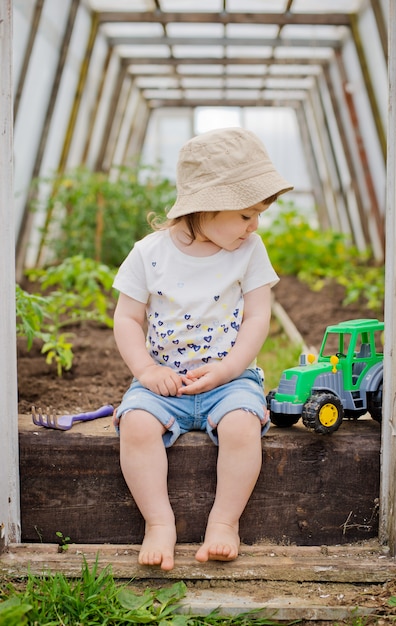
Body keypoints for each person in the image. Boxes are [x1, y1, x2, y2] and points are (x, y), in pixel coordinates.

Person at [112, 127, 293, 571]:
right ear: (205, 207)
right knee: (135, 425)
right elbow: (127, 319)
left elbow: (257, 317)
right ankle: (158, 523)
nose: (255, 226)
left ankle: (224, 522)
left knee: (241, 427)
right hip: (162, 381)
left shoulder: (249, 251)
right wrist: (146, 370)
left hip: (229, 380)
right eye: (247, 215)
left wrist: (231, 369)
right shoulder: (148, 254)